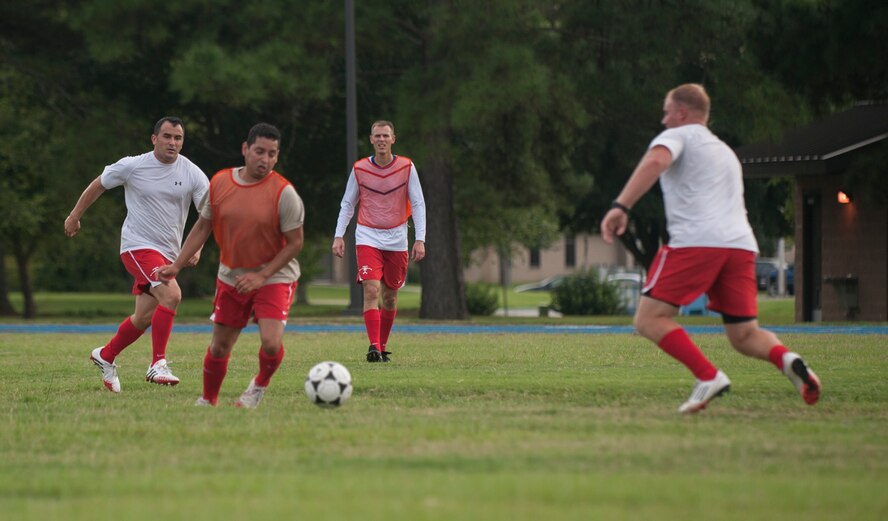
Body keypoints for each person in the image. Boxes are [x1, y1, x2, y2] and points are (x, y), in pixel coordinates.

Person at [600, 83, 821, 414]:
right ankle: (787, 359)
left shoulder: (679, 135)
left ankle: (708, 375)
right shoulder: (724, 151)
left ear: (682, 112)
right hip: (741, 247)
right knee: (744, 335)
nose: (663, 120)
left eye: (666, 111)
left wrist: (621, 206)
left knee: (648, 319)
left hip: (696, 242)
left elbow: (656, 161)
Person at [158, 123, 304, 408]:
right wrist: (176, 265)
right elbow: (203, 226)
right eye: (259, 151)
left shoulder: (285, 193)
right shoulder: (221, 182)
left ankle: (258, 386)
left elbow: (295, 243)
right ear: (245, 149)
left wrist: (262, 275)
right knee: (220, 346)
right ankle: (208, 400)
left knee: (271, 342)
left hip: (274, 276)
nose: (265, 159)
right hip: (231, 276)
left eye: (272, 154)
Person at [65, 116, 209, 393]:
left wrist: (198, 247)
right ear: (154, 139)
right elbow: (99, 184)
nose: (172, 142)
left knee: (143, 318)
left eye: (178, 138)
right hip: (137, 246)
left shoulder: (192, 173)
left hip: (168, 254)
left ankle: (105, 356)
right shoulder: (133, 165)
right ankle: (158, 364)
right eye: (167, 136)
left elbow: (208, 215)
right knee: (172, 294)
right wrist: (74, 216)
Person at [332, 120, 426, 363]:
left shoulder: (407, 167)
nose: (382, 139)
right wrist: (339, 235)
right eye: (377, 136)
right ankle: (373, 346)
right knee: (371, 289)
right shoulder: (360, 168)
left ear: (393, 138)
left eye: (386, 135)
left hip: (397, 238)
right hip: (367, 236)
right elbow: (347, 203)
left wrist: (420, 239)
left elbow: (417, 203)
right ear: (371, 140)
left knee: (390, 297)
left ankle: (382, 346)